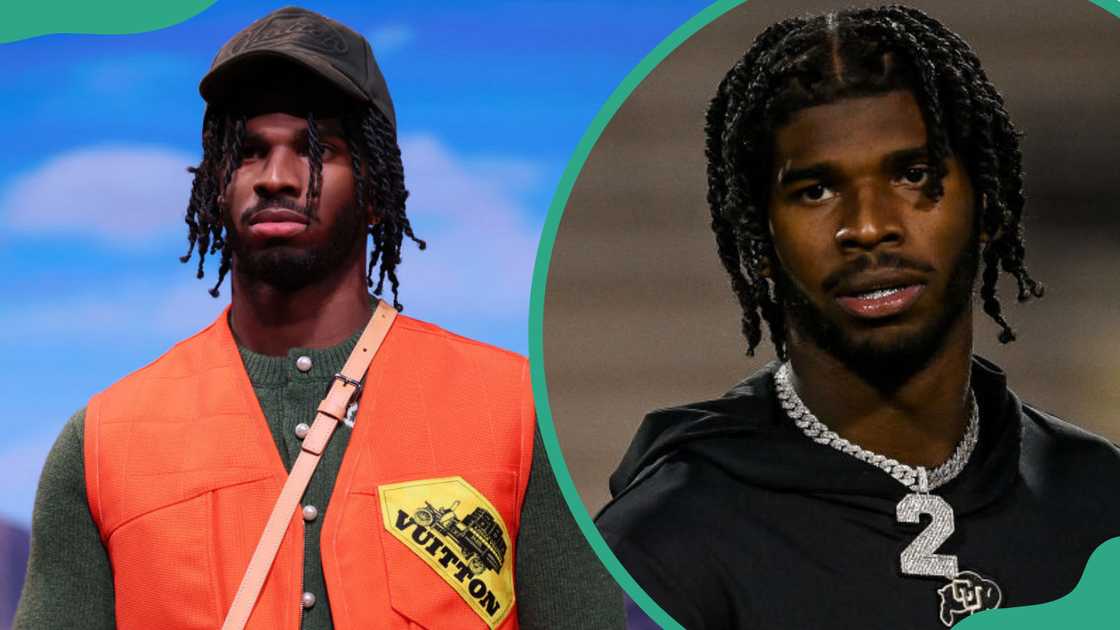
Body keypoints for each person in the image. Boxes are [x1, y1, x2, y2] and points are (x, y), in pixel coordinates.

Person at [14, 7, 622, 630]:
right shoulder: (102, 444)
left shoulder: (519, 415)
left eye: (315, 149)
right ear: (215, 187)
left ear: (377, 190)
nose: (275, 178)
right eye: (249, 152)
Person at [595, 5, 1120, 629]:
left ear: (990, 210)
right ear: (759, 244)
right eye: (815, 190)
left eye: (913, 174)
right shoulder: (662, 548)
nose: (869, 227)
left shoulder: (1100, 499)